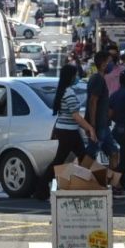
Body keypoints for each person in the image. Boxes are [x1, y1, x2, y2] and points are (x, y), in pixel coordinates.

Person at [37, 64, 97, 199]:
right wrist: (90, 128)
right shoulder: (68, 92)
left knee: (82, 157)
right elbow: (75, 115)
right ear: (70, 77)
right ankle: (41, 187)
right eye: (75, 75)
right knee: (63, 160)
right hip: (68, 132)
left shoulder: (62, 90)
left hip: (67, 131)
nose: (76, 77)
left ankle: (94, 184)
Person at [84, 51, 119, 169]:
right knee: (91, 153)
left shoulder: (98, 78)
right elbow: (93, 101)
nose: (111, 65)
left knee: (114, 152)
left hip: (103, 124)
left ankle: (113, 183)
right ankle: (79, 178)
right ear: (103, 64)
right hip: (98, 125)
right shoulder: (98, 79)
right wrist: (92, 124)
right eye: (109, 62)